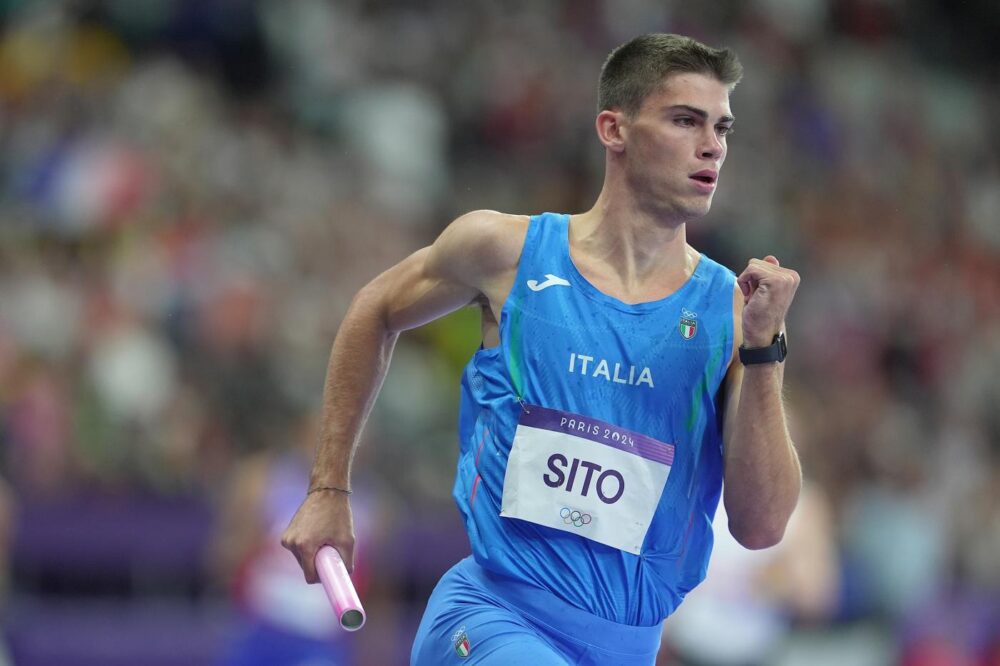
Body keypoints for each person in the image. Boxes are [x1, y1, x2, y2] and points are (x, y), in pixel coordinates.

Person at [282, 33, 802, 665]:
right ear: (614, 129)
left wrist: (763, 352)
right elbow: (374, 310)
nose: (712, 145)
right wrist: (329, 489)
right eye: (684, 120)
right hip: (491, 620)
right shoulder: (505, 252)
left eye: (721, 127)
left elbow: (761, 526)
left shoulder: (730, 310)